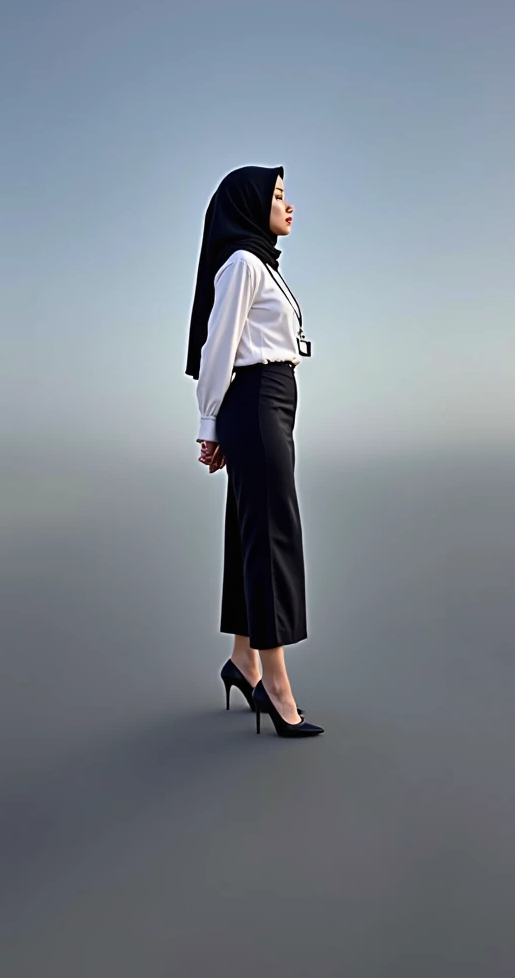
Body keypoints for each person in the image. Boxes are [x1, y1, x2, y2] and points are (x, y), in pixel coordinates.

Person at [185, 165, 323, 738]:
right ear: (249, 204)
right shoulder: (242, 264)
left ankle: (243, 661)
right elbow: (218, 346)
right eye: (278, 195)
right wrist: (210, 423)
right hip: (256, 400)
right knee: (272, 537)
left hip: (269, 403)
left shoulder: (262, 263)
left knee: (250, 528)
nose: (288, 205)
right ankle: (276, 684)